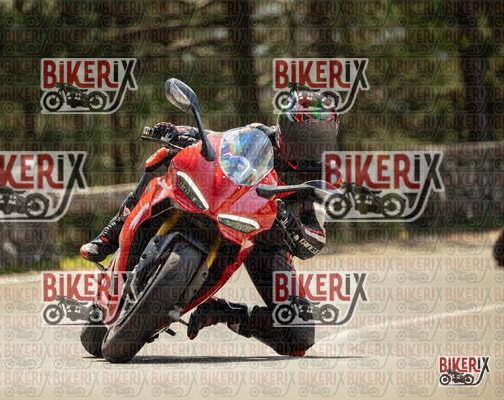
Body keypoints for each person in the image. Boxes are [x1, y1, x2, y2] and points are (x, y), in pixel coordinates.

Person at [80, 90, 339, 355]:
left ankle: (226, 313)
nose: (310, 143)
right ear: (284, 126)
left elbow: (314, 240)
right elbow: (218, 141)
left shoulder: (322, 176)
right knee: (164, 155)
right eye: (304, 134)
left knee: (298, 336)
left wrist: (292, 224)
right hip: (224, 206)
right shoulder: (260, 135)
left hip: (265, 241)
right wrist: (181, 132)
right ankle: (110, 234)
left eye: (319, 137)